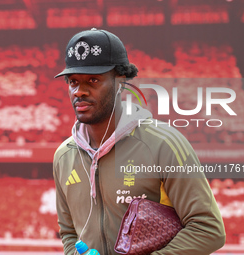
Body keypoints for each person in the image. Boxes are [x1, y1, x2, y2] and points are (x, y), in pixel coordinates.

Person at [53, 28, 225, 255]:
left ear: (120, 82)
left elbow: (208, 229)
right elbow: (69, 233)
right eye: (73, 81)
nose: (79, 91)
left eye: (93, 80)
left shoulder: (164, 144)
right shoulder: (63, 156)